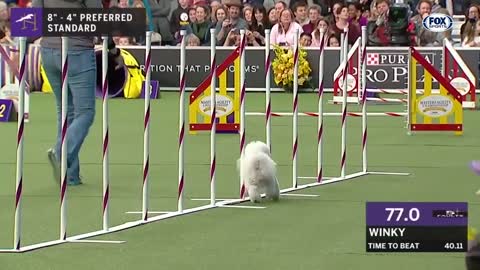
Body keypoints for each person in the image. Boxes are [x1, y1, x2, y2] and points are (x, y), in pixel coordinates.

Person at [32, 0, 123, 186]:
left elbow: (35, 15)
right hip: (77, 51)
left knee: (66, 111)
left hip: (49, 50)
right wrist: (114, 51)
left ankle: (70, 174)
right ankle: (61, 152)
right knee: (85, 112)